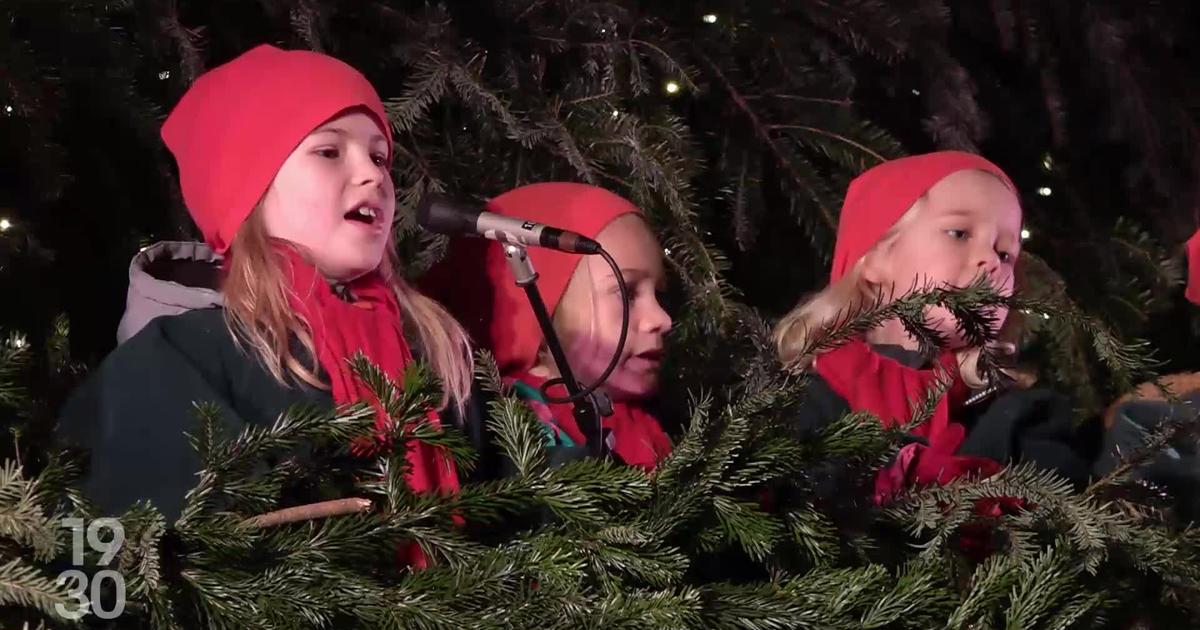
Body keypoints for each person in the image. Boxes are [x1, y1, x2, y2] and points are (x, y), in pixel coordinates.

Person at [56, 45, 477, 526]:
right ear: (246, 186)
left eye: (379, 157)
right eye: (328, 151)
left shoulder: (429, 353)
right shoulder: (177, 357)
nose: (373, 175)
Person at [773, 151, 1091, 504]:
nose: (990, 261)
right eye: (959, 233)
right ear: (875, 257)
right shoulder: (799, 400)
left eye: (1005, 253)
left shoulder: (1023, 416)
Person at [422, 182, 674, 470]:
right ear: (536, 307)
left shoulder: (647, 431)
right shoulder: (513, 430)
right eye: (626, 293)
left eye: (660, 295)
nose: (662, 320)